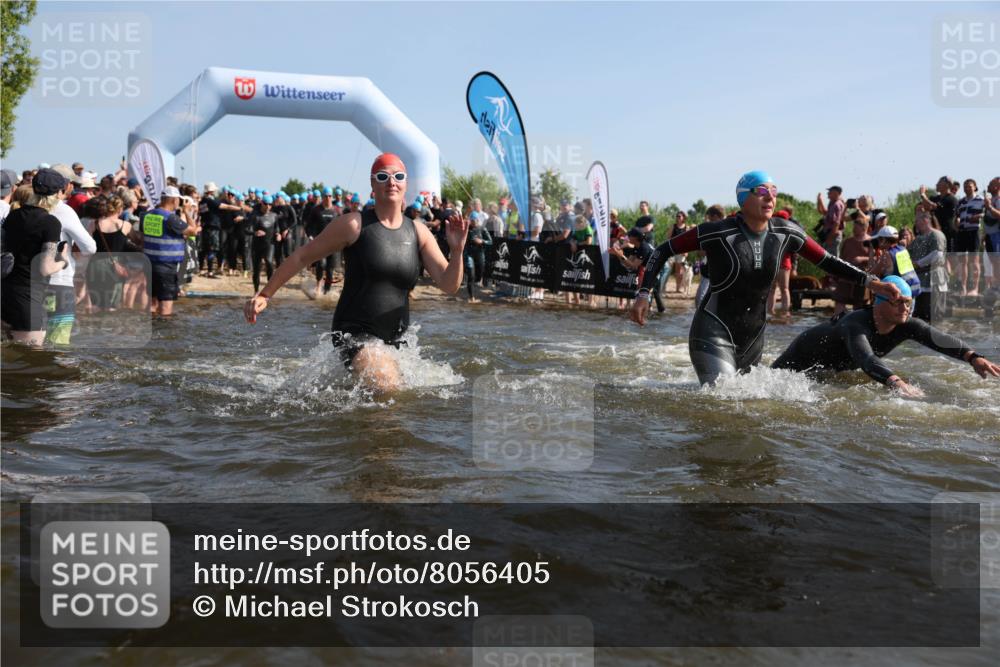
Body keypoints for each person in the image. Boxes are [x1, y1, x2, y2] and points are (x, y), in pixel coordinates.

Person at [630, 170, 900, 385]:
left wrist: (872, 282)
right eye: (761, 191)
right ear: (742, 198)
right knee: (724, 403)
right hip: (713, 331)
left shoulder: (787, 233)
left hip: (754, 337)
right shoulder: (717, 232)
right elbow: (663, 250)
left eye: (773, 192)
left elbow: (828, 261)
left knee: (748, 408)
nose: (770, 197)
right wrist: (643, 295)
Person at [245, 154, 469, 393]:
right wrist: (266, 294)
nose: (391, 182)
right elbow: (302, 256)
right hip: (354, 332)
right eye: (383, 176)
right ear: (372, 185)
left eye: (398, 176)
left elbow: (449, 285)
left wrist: (457, 252)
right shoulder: (354, 225)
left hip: (396, 341)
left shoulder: (419, 232)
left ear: (406, 183)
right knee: (387, 388)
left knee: (393, 398)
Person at [773, 276, 999, 397]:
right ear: (879, 304)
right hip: (790, 370)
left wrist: (973, 357)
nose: (905, 309)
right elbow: (865, 358)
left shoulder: (904, 323)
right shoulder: (855, 324)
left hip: (825, 372)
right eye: (899, 302)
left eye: (908, 303)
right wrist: (896, 382)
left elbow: (938, 338)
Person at [1, 169, 74, 346]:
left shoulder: (14, 215)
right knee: (32, 360)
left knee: (9, 359)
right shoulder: (50, 222)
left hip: (5, 292)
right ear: (58, 193)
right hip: (29, 295)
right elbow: (45, 268)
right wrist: (63, 260)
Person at [47, 164, 97, 344]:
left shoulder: (23, 207)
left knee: (32, 342)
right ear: (64, 184)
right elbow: (90, 247)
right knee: (58, 343)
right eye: (73, 185)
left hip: (29, 284)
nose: (73, 189)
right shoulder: (64, 211)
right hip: (59, 283)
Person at [141, 186, 200, 316]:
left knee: (152, 304)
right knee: (166, 308)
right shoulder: (171, 218)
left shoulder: (146, 215)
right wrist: (187, 212)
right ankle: (165, 333)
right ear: (174, 200)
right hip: (166, 267)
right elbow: (193, 231)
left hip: (148, 264)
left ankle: (152, 331)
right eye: (179, 200)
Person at [86, 194, 136, 311]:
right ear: (120, 209)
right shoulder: (124, 225)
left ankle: (95, 328)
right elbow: (137, 241)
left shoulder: (94, 223)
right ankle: (110, 328)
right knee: (112, 305)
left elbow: (87, 245)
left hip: (95, 264)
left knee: (97, 303)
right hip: (115, 265)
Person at [909, 209, 948, 322]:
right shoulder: (918, 239)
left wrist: (917, 263)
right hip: (920, 281)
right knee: (920, 317)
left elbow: (937, 255)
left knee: (934, 316)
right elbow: (908, 254)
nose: (915, 223)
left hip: (934, 280)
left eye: (917, 220)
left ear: (926, 220)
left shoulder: (936, 235)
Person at [832, 212, 871, 315]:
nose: (853, 229)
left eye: (856, 227)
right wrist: (836, 274)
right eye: (854, 227)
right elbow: (841, 259)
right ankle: (836, 324)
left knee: (859, 306)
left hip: (861, 278)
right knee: (840, 301)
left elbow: (876, 259)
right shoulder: (848, 241)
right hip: (845, 277)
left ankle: (856, 327)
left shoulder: (871, 242)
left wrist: (862, 259)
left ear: (864, 228)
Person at [954, 179, 984, 297]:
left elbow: (986, 213)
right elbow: (957, 215)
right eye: (965, 186)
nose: (967, 188)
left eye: (970, 186)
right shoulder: (961, 202)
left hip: (974, 231)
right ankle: (963, 288)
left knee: (974, 261)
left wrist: (978, 216)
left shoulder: (981, 200)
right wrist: (956, 221)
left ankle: (975, 288)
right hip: (962, 232)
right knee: (962, 261)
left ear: (975, 187)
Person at [464, 211, 492, 302]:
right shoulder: (467, 229)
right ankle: (471, 297)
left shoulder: (482, 229)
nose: (473, 222)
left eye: (474, 220)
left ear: (477, 220)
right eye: (471, 220)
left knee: (480, 274)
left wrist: (482, 241)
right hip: (469, 254)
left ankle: (475, 281)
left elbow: (490, 241)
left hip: (480, 253)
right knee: (471, 276)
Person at [816, 185, 846, 256]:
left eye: (830, 192)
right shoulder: (832, 203)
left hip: (833, 235)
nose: (828, 193)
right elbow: (823, 212)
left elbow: (837, 223)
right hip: (830, 234)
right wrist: (819, 201)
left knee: (832, 259)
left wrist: (830, 238)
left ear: (836, 193)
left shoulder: (837, 205)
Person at [983, 176, 1000, 290]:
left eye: (991, 184)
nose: (988, 186)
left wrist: (989, 207)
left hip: (997, 235)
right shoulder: (992, 199)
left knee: (998, 261)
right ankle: (996, 284)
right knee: (994, 261)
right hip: (990, 235)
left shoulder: (998, 200)